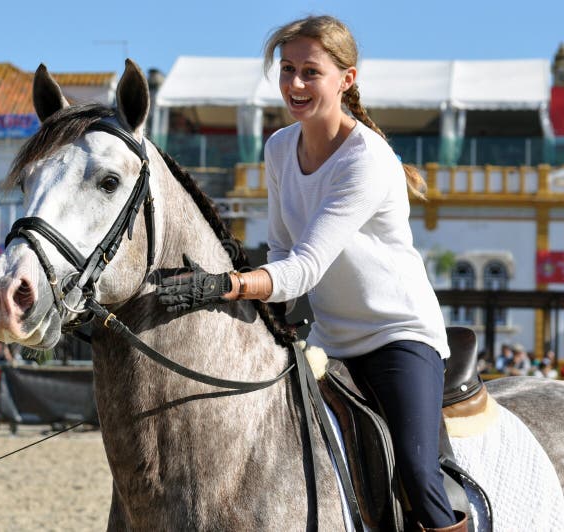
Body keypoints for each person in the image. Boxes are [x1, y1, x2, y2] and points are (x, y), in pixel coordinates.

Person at [156, 15, 464, 531]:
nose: (295, 84)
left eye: (310, 72)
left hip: (398, 335)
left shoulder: (367, 159)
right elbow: (280, 249)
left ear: (346, 79)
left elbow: (303, 267)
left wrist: (224, 285)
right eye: (287, 69)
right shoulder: (279, 148)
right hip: (330, 340)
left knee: (415, 472)